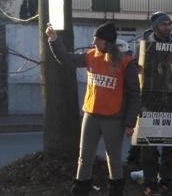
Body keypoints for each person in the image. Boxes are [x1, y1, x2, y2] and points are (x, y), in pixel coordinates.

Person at [45, 21, 139, 196]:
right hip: (91, 115)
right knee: (84, 158)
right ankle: (80, 191)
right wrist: (54, 39)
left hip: (114, 118)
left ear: (108, 42)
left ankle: (116, 192)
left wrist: (130, 122)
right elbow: (66, 59)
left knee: (114, 159)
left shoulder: (126, 62)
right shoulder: (90, 56)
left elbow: (134, 95)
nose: (94, 42)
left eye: (98, 40)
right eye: (94, 39)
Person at [139, 11, 172, 196]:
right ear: (156, 26)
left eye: (170, 24)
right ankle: (150, 182)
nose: (168, 27)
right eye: (164, 24)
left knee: (171, 142)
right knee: (148, 145)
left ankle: (166, 181)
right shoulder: (145, 46)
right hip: (149, 100)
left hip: (170, 100)